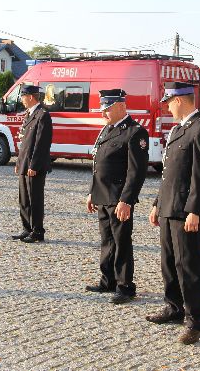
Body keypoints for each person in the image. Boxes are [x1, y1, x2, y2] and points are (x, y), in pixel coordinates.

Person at [147, 81, 200, 345]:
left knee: (188, 266)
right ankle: (173, 307)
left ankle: (194, 320)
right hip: (169, 207)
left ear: (179, 100)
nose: (166, 108)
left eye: (168, 103)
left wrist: (195, 210)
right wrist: (157, 203)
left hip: (185, 211)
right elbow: (169, 175)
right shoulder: (179, 129)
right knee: (169, 263)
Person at [85, 89, 149, 304]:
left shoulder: (134, 132)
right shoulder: (107, 129)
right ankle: (108, 280)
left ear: (121, 106)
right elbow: (98, 164)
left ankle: (125, 286)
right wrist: (92, 193)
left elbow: (136, 171)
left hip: (119, 198)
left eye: (108, 109)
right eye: (103, 109)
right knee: (107, 241)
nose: (104, 114)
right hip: (102, 196)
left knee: (121, 243)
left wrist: (127, 200)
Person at [12, 85, 53, 243]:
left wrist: (33, 166)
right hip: (24, 163)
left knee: (35, 199)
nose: (21, 100)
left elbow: (41, 144)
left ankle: (37, 231)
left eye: (23, 96)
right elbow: (24, 143)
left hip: (34, 166)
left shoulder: (43, 115)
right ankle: (26, 228)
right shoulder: (29, 114)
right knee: (24, 198)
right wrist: (18, 162)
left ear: (30, 97)